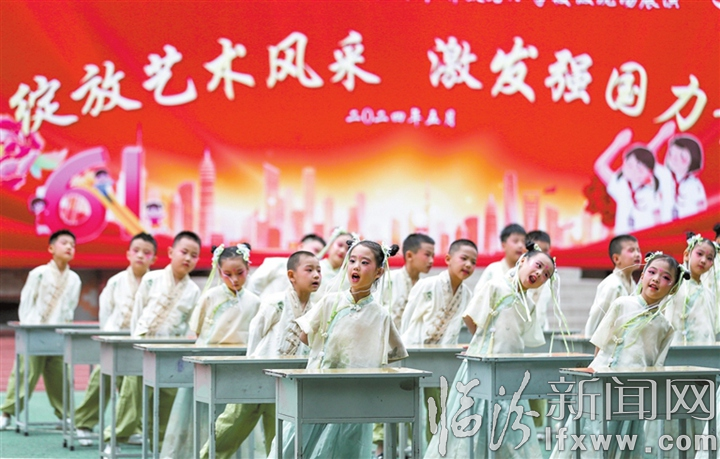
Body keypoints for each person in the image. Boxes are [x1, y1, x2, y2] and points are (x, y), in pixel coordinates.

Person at [269, 239, 408, 458]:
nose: (356, 266)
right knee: (299, 442)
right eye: (352, 261)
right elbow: (305, 335)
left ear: (379, 272)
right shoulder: (330, 301)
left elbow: (396, 351)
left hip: (356, 394)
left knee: (345, 446)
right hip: (318, 386)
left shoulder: (381, 314)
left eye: (364, 262)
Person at [425, 242, 556, 458]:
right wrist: (483, 342)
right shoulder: (496, 286)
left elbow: (523, 338)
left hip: (511, 370)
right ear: (523, 261)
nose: (539, 274)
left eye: (546, 275)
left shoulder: (529, 305)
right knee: (471, 419)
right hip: (482, 365)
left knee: (508, 425)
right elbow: (471, 317)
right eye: (538, 266)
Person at [551, 252, 686, 458]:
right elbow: (600, 344)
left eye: (666, 277)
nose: (656, 279)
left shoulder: (665, 327)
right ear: (642, 275)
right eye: (652, 272)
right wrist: (596, 374)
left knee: (624, 441)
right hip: (603, 382)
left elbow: (656, 365)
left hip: (634, 390)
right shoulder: (622, 304)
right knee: (591, 434)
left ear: (673, 287)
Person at [199, 250, 321, 459]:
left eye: (318, 270)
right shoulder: (276, 302)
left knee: (279, 431)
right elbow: (256, 332)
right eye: (309, 270)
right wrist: (251, 367)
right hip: (257, 374)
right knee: (231, 424)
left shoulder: (315, 309)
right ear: (291, 276)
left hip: (286, 380)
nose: (316, 275)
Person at [102, 231, 202, 455]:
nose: (188, 258)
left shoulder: (194, 291)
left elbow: (190, 324)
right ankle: (114, 438)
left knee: (167, 398)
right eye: (184, 252)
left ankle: (160, 444)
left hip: (171, 351)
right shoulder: (151, 280)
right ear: (171, 252)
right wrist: (136, 340)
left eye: (194, 255)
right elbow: (137, 314)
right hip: (142, 347)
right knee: (132, 396)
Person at [160, 243, 260, 459]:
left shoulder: (255, 302)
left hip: (239, 365)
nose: (234, 279)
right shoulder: (210, 296)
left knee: (233, 417)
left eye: (240, 273)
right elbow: (197, 331)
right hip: (208, 362)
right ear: (219, 271)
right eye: (227, 274)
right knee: (200, 413)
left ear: (248, 269)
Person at [74, 233, 157, 446]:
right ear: (128, 253)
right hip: (115, 340)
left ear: (154, 258)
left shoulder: (157, 283)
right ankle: (83, 424)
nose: (140, 255)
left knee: (135, 388)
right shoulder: (115, 282)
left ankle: (133, 428)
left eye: (146, 252)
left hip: (141, 343)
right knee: (100, 381)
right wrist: (108, 337)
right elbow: (106, 312)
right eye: (136, 250)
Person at [0, 230, 82, 430]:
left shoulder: (74, 279)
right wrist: (28, 328)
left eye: (72, 245)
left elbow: (71, 307)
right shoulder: (38, 274)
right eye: (64, 243)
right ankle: (7, 412)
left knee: (60, 376)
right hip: (35, 332)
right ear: (51, 248)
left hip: (59, 334)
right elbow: (27, 303)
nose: (69, 247)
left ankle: (65, 416)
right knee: (25, 374)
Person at [401, 239, 477, 443]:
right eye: (464, 258)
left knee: (439, 407)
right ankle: (402, 448)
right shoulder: (427, 284)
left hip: (441, 357)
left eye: (473, 262)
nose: (468, 265)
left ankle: (436, 449)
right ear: (448, 259)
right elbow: (407, 319)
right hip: (414, 354)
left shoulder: (467, 294)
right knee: (405, 404)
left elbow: (472, 324)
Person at [650, 234, 717, 458]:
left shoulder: (708, 292)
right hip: (676, 355)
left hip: (702, 358)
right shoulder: (675, 285)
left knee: (700, 407)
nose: (704, 261)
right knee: (673, 406)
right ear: (687, 254)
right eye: (700, 254)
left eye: (710, 258)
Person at [594, 122, 674, 233]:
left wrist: (661, 136)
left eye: (639, 169)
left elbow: (646, 157)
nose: (634, 171)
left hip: (647, 238)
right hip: (624, 240)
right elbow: (600, 166)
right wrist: (617, 144)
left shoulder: (652, 191)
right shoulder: (621, 186)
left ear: (650, 172)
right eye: (629, 166)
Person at [584, 235, 642, 337]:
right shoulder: (612, 286)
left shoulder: (632, 284)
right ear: (616, 258)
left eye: (638, 250)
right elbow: (597, 321)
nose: (637, 254)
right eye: (631, 250)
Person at [245, 234, 325, 298]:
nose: (318, 256)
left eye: (322, 254)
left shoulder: (315, 278)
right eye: (316, 250)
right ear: (301, 246)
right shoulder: (277, 263)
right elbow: (253, 284)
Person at [384, 233, 436, 328]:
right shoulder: (388, 279)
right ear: (409, 255)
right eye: (427, 255)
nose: (431, 261)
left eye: (433, 256)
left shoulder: (426, 287)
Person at [472, 223, 526, 297]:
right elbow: (478, 295)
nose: (520, 245)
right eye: (515, 241)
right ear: (503, 245)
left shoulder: (527, 271)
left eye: (523, 242)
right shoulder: (493, 269)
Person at [660, 134, 707, 220]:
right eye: (671, 154)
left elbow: (701, 208)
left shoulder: (694, 184)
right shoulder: (666, 180)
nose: (674, 159)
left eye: (682, 156)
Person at [316, 227, 354, 295]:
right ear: (330, 244)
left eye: (348, 249)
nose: (342, 251)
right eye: (340, 245)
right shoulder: (316, 266)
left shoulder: (348, 277)